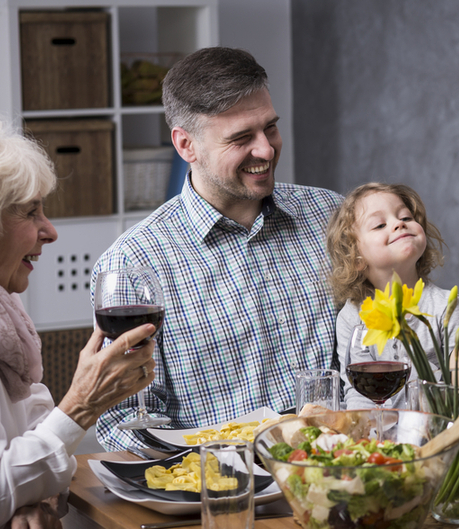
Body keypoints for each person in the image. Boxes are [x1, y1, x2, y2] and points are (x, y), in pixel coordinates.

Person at [91, 48, 343, 452]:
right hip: (217, 495)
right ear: (186, 145)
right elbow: (122, 422)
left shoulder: (331, 215)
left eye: (270, 128)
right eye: (241, 138)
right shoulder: (134, 262)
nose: (266, 150)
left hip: (340, 481)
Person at [0, 112, 154, 529]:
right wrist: (82, 404)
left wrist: (33, 500)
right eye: (30, 213)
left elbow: (31, 425)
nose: (50, 231)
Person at [326, 182, 459, 409]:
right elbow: (358, 394)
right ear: (355, 258)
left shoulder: (446, 306)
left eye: (405, 217)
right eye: (380, 225)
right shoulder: (352, 317)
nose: (398, 224)